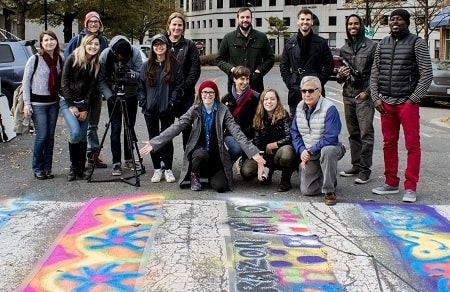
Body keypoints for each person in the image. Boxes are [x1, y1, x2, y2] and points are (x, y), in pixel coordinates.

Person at [139, 80, 266, 193]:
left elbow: (237, 132)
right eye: (204, 92)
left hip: (216, 154)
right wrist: (155, 143)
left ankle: (211, 174)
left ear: (215, 94)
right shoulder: (194, 110)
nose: (208, 95)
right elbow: (176, 127)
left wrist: (253, 152)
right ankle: (195, 174)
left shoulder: (223, 111)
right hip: (199, 151)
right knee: (201, 154)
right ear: (200, 94)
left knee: (221, 187)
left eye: (211, 92)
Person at [370, 9, 433, 203]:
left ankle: (411, 186)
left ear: (407, 22)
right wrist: (375, 98)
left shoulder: (417, 43)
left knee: (412, 145)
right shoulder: (382, 44)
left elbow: (427, 74)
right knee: (388, 143)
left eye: (398, 19)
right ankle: (391, 182)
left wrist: (413, 99)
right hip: (386, 103)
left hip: (407, 103)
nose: (394, 22)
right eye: (391, 20)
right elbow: (375, 72)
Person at [291, 76, 346, 206]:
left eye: (310, 90)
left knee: (328, 151)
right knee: (307, 191)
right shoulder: (299, 107)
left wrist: (310, 151)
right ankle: (328, 176)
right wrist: (302, 150)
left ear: (319, 91)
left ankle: (329, 191)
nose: (307, 94)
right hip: (310, 149)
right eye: (304, 91)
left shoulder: (330, 108)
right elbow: (294, 132)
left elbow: (331, 138)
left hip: (331, 147)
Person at [64, 11, 109, 169]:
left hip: (95, 89)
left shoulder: (103, 41)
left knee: (93, 124)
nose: (94, 24)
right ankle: (78, 159)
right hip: (78, 93)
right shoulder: (77, 40)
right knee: (79, 129)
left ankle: (93, 153)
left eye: (96, 21)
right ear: (86, 23)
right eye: (91, 21)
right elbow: (66, 63)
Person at [137, 34, 183, 184]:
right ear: (152, 48)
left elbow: (178, 85)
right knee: (153, 139)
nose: (159, 47)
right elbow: (140, 86)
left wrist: (172, 102)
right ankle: (157, 168)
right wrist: (143, 101)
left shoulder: (174, 65)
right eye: (156, 45)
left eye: (161, 44)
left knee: (166, 138)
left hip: (167, 109)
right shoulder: (146, 66)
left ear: (166, 46)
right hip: (150, 109)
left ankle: (168, 168)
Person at [336, 14, 376, 184]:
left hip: (364, 96)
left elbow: (377, 73)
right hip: (348, 95)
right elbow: (339, 77)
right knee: (353, 133)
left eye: (356, 23)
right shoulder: (344, 49)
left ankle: (365, 170)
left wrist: (368, 92)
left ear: (361, 25)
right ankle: (356, 165)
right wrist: (340, 75)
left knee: (366, 133)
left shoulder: (372, 46)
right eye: (350, 24)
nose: (353, 26)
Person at [98, 35, 143, 176]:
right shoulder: (105, 55)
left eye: (126, 58)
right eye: (121, 58)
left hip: (131, 95)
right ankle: (116, 162)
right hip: (114, 96)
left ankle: (129, 158)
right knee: (115, 128)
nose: (123, 61)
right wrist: (108, 95)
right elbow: (101, 78)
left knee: (129, 127)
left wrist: (129, 74)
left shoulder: (135, 52)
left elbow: (141, 75)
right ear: (115, 53)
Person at [22, 31, 63, 180]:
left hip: (53, 103)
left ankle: (47, 168)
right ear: (41, 43)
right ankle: (38, 168)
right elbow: (25, 82)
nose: (49, 42)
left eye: (52, 39)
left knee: (50, 137)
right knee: (42, 136)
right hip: (37, 103)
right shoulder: (35, 59)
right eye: (46, 40)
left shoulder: (60, 59)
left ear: (56, 42)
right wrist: (27, 103)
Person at [60, 35, 101, 181]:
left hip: (84, 103)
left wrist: (85, 108)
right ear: (84, 44)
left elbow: (91, 88)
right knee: (75, 133)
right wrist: (71, 104)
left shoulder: (95, 64)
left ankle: (81, 168)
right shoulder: (72, 58)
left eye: (96, 44)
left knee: (83, 136)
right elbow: (64, 83)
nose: (93, 47)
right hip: (68, 102)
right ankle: (73, 167)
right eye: (90, 44)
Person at [240, 88, 297, 192]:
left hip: (279, 152)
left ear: (277, 101)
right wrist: (262, 163)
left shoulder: (284, 115)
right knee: (246, 172)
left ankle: (285, 180)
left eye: (272, 99)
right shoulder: (258, 116)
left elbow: (289, 137)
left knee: (287, 151)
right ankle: (268, 171)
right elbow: (257, 141)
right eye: (266, 99)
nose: (269, 102)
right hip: (264, 153)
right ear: (262, 101)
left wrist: (273, 145)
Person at [280, 8, 334, 117]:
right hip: (295, 90)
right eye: (302, 19)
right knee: (296, 124)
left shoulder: (321, 43)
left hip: (315, 89)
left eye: (308, 19)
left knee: (317, 124)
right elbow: (284, 66)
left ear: (312, 22)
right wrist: (290, 82)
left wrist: (320, 81)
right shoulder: (290, 43)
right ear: (298, 21)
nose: (305, 22)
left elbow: (329, 65)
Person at [216, 7, 274, 94]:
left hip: (256, 86)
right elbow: (219, 59)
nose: (245, 20)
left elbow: (270, 58)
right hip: (234, 86)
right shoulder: (228, 38)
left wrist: (259, 71)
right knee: (235, 108)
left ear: (251, 18)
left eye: (248, 17)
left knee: (256, 108)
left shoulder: (261, 37)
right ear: (237, 19)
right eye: (242, 17)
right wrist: (232, 70)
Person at [165, 12, 201, 149]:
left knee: (187, 128)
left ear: (183, 28)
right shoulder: (162, 42)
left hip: (186, 95)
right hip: (166, 94)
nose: (177, 28)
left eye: (180, 25)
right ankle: (165, 162)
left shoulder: (189, 45)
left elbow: (194, 71)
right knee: (166, 129)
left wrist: (181, 89)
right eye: (174, 24)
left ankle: (189, 158)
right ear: (169, 26)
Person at [221, 66, 260, 164]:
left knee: (247, 173)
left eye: (247, 79)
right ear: (234, 79)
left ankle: (242, 162)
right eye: (242, 79)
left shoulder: (256, 97)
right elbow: (221, 120)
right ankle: (224, 168)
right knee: (236, 149)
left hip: (249, 135)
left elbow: (259, 119)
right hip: (230, 134)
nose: (245, 82)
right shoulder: (226, 98)